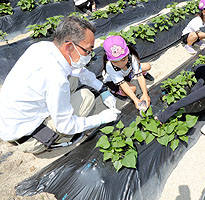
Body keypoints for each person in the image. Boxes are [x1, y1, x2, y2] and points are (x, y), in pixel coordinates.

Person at [0, 16, 120, 154]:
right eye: (88, 50)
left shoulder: (41, 47)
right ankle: (53, 141)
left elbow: (79, 71)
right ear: (69, 46)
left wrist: (102, 89)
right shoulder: (56, 78)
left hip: (8, 122)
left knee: (73, 78)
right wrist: (101, 118)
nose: (89, 55)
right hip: (27, 137)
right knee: (86, 97)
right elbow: (66, 126)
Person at [102, 35, 152, 111]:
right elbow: (123, 84)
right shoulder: (109, 66)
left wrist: (145, 94)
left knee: (147, 66)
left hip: (127, 73)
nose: (120, 64)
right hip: (113, 81)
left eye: (123, 59)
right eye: (115, 62)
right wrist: (136, 100)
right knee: (133, 89)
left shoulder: (131, 56)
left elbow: (140, 76)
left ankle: (133, 73)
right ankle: (116, 91)